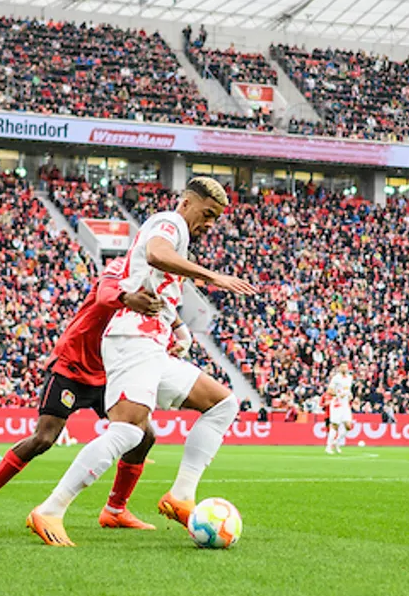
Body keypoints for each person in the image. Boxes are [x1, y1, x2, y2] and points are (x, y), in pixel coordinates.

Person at [25, 177, 254, 547]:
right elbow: (156, 254)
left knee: (223, 403)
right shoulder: (170, 222)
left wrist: (176, 329)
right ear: (187, 203)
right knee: (129, 431)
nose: (210, 223)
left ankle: (180, 496)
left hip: (151, 343)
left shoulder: (179, 231)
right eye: (207, 213)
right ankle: (50, 510)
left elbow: (157, 276)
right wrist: (212, 276)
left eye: (216, 218)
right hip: (132, 339)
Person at [0, 265, 166, 534]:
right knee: (44, 439)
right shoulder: (119, 269)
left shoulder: (153, 286)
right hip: (71, 367)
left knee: (144, 434)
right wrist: (128, 298)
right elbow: (105, 295)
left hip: (106, 373)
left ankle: (115, 510)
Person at [322, 361, 355, 455]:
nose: (344, 368)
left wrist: (350, 395)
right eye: (342, 367)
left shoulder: (350, 378)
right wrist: (338, 394)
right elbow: (329, 390)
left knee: (348, 425)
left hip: (345, 404)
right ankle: (328, 447)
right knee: (335, 426)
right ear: (340, 368)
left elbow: (348, 389)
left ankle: (336, 441)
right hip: (337, 403)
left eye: (345, 367)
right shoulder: (336, 378)